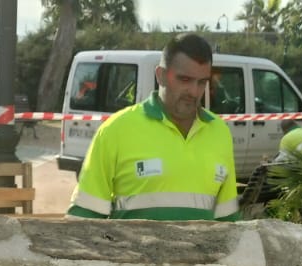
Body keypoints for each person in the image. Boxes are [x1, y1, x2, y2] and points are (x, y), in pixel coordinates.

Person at [67, 33, 240, 222]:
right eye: (184, 80)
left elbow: (228, 219)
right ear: (161, 76)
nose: (193, 91)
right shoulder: (116, 130)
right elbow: (84, 218)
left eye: (202, 82)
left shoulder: (219, 132)